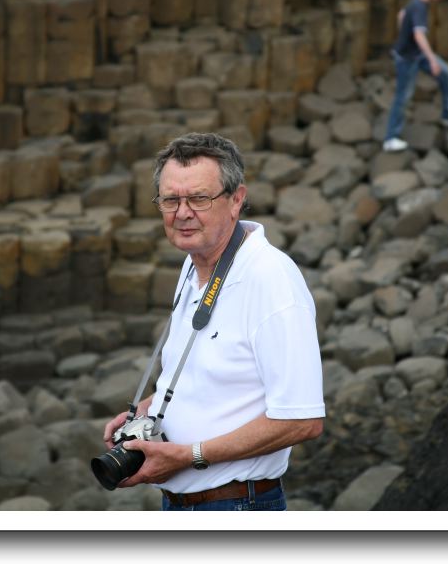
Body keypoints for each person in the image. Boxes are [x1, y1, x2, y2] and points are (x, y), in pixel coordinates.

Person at [101, 132, 325, 511]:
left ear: (236, 200)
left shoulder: (270, 279)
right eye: (170, 199)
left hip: (238, 506)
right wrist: (147, 412)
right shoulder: (194, 265)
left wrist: (190, 455)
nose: (183, 212)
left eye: (199, 198)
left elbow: (302, 420)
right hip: (181, 503)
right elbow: (208, 375)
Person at [380, 0, 448, 153]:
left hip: (416, 53)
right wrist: (431, 60)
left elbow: (401, 15)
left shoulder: (416, 2)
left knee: (447, 73)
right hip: (407, 59)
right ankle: (391, 138)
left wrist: (403, 34)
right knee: (403, 96)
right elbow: (419, 35)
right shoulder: (419, 6)